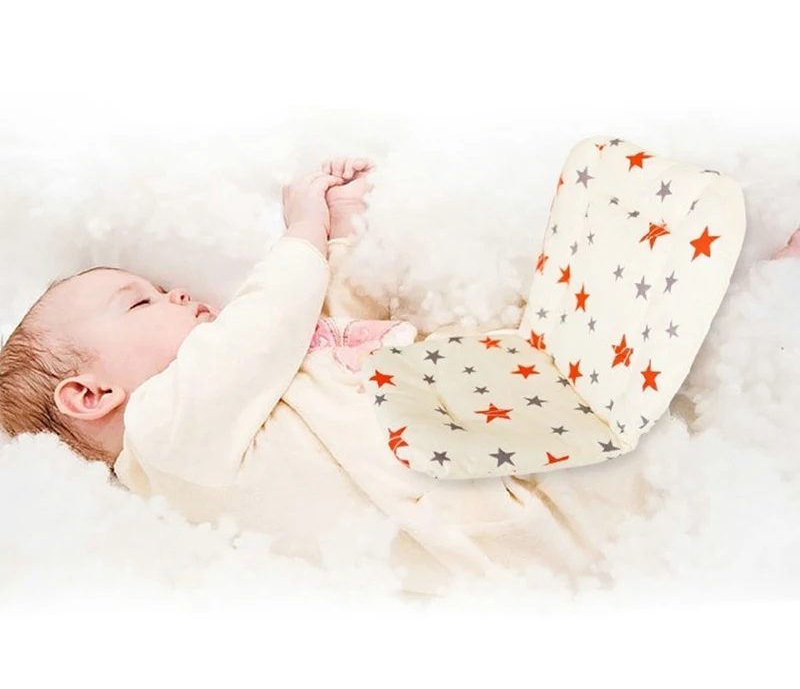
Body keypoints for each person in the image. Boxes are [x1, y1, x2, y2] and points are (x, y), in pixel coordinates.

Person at [1, 159, 798, 595]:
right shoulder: (165, 437)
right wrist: (302, 230)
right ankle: (760, 311)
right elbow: (271, 319)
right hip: (495, 505)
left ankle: (749, 299)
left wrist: (342, 242)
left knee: (639, 387)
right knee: (655, 430)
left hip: (495, 442)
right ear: (91, 395)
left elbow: (320, 330)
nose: (177, 294)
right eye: (140, 301)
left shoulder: (231, 409)